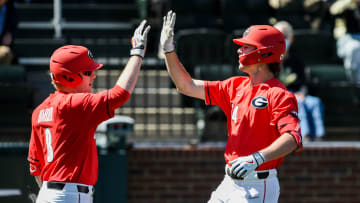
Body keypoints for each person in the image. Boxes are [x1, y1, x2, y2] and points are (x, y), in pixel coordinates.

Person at [160, 10, 302, 203]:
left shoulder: (279, 94)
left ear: (264, 53)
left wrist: (257, 158)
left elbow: (293, 138)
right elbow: (186, 86)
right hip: (229, 182)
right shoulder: (234, 86)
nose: (239, 50)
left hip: (257, 185)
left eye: (246, 47)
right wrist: (169, 50)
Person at [27, 20, 150, 203]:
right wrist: (137, 53)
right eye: (87, 72)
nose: (93, 75)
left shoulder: (40, 110)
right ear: (69, 76)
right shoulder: (72, 105)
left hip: (48, 194)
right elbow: (120, 94)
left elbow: (35, 167)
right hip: (70, 195)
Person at [274, 21, 326, 142]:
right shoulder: (271, 61)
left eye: (286, 36)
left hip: (297, 93)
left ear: (291, 39)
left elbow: (303, 82)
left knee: (315, 102)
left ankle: (319, 138)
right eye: (279, 36)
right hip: (281, 96)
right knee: (298, 103)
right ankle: (304, 137)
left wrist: (302, 92)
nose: (283, 39)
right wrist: (290, 94)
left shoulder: (297, 61)